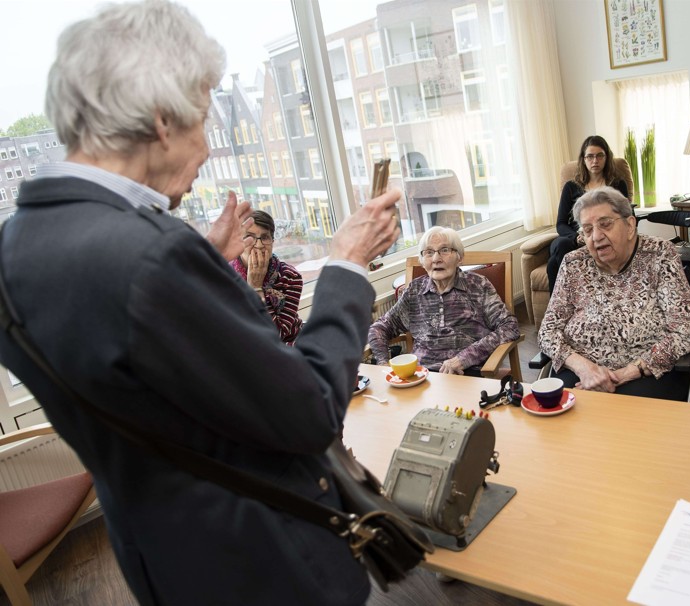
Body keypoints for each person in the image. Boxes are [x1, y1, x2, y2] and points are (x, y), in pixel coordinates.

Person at [0, 2, 400, 604]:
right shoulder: (151, 256)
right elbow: (311, 411)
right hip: (263, 562)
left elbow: (148, 380)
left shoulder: (17, 246)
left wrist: (200, 263)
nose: (209, 147)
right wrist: (347, 263)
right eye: (204, 119)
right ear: (163, 120)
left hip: (163, 557)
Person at [538, 187, 690, 400]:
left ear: (630, 225)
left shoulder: (660, 256)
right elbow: (547, 332)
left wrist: (625, 374)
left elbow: (687, 330)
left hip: (646, 374)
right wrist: (583, 367)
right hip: (580, 374)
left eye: (605, 224)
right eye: (587, 230)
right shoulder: (573, 264)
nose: (596, 236)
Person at [368, 226, 519, 376]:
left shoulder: (478, 286)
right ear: (422, 261)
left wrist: (464, 358)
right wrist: (383, 362)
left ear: (459, 257)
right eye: (429, 252)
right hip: (421, 377)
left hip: (467, 374)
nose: (436, 259)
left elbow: (509, 326)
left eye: (445, 250)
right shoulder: (414, 291)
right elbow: (380, 327)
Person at [547, 135, 630, 293]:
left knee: (552, 264)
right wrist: (578, 236)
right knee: (561, 244)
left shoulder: (618, 185)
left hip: (604, 237)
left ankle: (563, 302)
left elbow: (626, 218)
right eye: (590, 156)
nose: (595, 161)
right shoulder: (571, 187)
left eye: (600, 155)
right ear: (583, 159)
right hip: (574, 238)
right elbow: (561, 224)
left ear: (607, 157)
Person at [229, 210, 303, 344]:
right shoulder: (225, 276)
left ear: (273, 241)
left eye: (264, 237)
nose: (259, 245)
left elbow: (277, 335)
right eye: (249, 237)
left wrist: (255, 288)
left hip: (286, 345)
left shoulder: (290, 276)